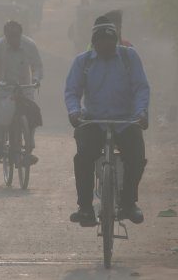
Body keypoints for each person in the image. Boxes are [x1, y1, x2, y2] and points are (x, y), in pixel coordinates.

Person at [64, 15, 150, 226]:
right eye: (102, 46)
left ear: (116, 43)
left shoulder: (129, 57)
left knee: (136, 157)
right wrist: (74, 112)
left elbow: (141, 87)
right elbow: (72, 91)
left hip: (126, 121)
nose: (107, 50)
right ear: (94, 45)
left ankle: (129, 202)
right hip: (94, 120)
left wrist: (141, 113)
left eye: (111, 45)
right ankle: (85, 208)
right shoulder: (82, 61)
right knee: (83, 158)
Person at [0, 20, 43, 164]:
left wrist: (36, 79)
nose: (14, 40)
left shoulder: (29, 45)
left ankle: (29, 144)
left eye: (16, 36)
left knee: (33, 113)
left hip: (24, 88)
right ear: (6, 36)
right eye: (10, 37)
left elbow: (38, 66)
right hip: (3, 89)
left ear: (20, 35)